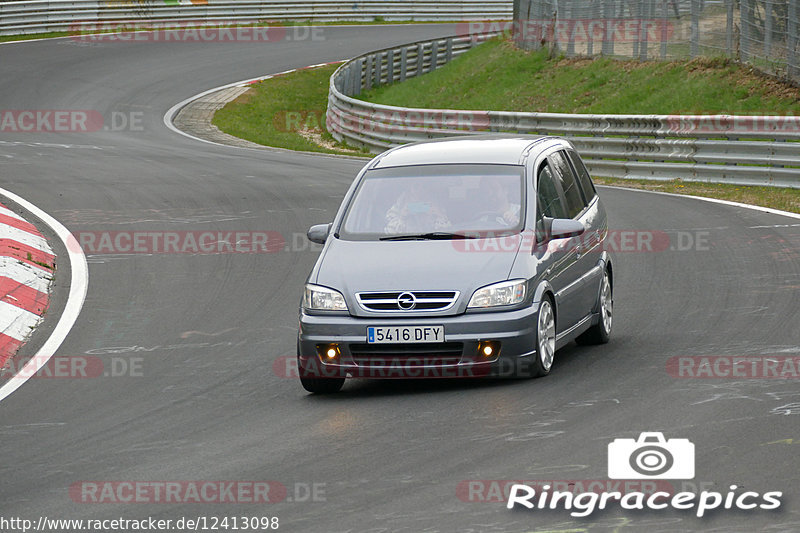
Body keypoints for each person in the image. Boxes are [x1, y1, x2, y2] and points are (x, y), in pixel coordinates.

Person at [384, 182, 451, 234]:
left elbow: (446, 234)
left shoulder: (437, 207)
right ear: (409, 190)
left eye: (424, 187)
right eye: (416, 187)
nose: (420, 190)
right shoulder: (398, 208)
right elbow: (389, 234)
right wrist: (401, 218)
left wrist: (439, 215)